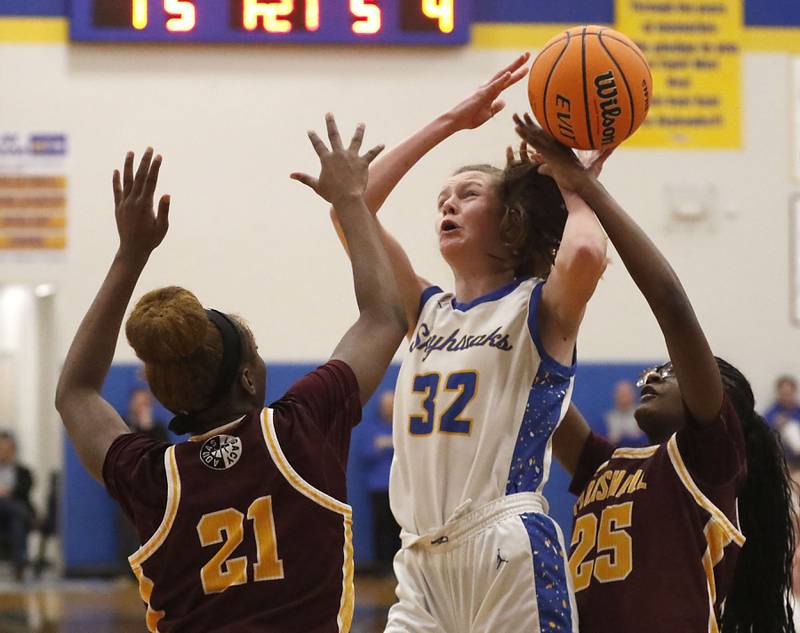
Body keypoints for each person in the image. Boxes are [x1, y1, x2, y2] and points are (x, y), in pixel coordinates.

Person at [55, 115, 407, 632]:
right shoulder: (298, 430)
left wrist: (130, 255)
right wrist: (350, 199)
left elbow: (75, 392)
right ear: (247, 379)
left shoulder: (155, 477)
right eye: (257, 353)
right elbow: (384, 317)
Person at [331, 54, 607, 632]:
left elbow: (583, 253)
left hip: (505, 547)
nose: (448, 204)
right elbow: (350, 209)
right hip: (422, 563)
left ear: (510, 222)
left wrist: (576, 187)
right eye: (442, 200)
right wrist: (452, 120)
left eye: (469, 194)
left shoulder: (537, 305)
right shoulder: (425, 310)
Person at [513, 114, 797, 632]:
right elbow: (533, 375)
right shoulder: (607, 463)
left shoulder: (709, 459)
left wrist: (589, 194)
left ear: (720, 401)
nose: (649, 376)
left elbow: (671, 305)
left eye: (667, 371)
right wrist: (535, 244)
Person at [358, 389, 400, 573]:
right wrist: (387, 445)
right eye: (385, 406)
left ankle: (399, 565)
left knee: (399, 526)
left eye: (391, 406)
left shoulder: (402, 426)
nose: (388, 410)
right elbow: (367, 452)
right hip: (378, 486)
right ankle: (382, 566)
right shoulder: (371, 428)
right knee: (381, 526)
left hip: (400, 486)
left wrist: (387, 443)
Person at [0, 431, 34, 581]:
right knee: (19, 512)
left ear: (13, 450)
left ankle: (19, 567)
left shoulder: (24, 472)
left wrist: (9, 491)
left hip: (13, 512)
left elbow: (25, 490)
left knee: (17, 521)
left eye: (7, 449)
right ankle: (20, 564)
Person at [764, 375, 800, 468]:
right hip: (781, 459)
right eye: (783, 394)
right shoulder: (771, 413)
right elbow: (763, 432)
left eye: (789, 394)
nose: (786, 397)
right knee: (788, 427)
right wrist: (776, 424)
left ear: (794, 392)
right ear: (779, 393)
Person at [603, 380, 645, 447]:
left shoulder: (642, 415)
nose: (623, 397)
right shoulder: (608, 418)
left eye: (626, 394)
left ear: (632, 395)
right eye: (621, 394)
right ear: (615, 396)